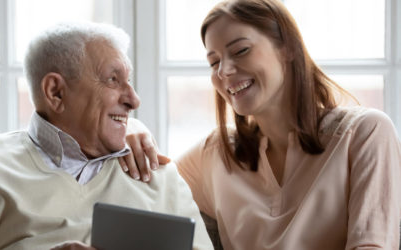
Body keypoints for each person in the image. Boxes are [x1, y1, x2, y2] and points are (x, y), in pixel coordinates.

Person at [121, 0, 401, 249]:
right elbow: (136, 195)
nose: (224, 70)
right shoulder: (217, 152)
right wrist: (131, 128)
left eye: (240, 50)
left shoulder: (364, 133)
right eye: (214, 61)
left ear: (287, 48)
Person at [0, 22, 213, 250]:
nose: (134, 99)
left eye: (129, 80)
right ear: (56, 92)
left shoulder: (160, 175)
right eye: (113, 79)